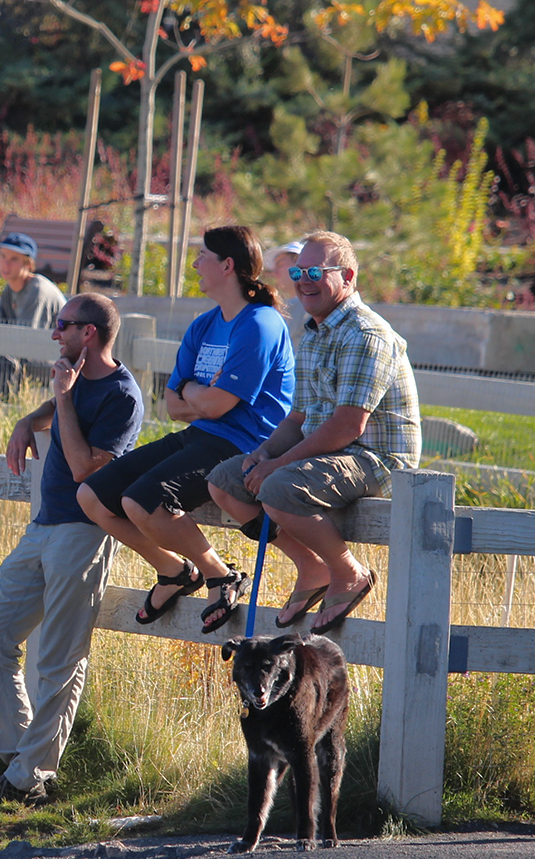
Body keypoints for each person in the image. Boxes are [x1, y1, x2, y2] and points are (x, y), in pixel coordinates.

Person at [0, 293, 146, 806]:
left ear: (88, 334)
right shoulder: (76, 382)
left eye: (63, 325)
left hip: (84, 531)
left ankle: (26, 779)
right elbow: (59, 410)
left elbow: (89, 465)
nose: (54, 333)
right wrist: (31, 418)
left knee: (61, 659)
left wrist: (62, 400)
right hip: (43, 526)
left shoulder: (123, 396)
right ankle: (21, 759)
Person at [76, 225, 295, 634]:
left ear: (227, 265)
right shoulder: (205, 325)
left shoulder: (261, 324)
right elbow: (171, 405)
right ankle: (174, 571)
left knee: (141, 501)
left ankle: (219, 575)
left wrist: (195, 392)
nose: (195, 263)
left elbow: (212, 403)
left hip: (244, 445)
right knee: (93, 495)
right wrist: (201, 396)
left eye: (202, 256)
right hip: (202, 435)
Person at [205, 231, 420, 633]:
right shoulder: (315, 333)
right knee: (224, 483)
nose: (304, 279)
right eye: (299, 271)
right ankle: (312, 567)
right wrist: (264, 454)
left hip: (375, 457)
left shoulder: (365, 334)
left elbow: (348, 424)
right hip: (329, 453)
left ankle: (349, 574)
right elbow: (298, 418)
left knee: (278, 487)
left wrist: (278, 467)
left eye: (316, 271)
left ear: (348, 276)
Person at [0, 231, 67, 392]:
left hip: (55, 361)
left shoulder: (38, 291)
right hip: (23, 352)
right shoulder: (9, 289)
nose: (6, 264)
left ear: (28, 263)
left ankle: (2, 405)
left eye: (14, 259)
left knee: (4, 356)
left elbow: (26, 340)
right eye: (3, 257)